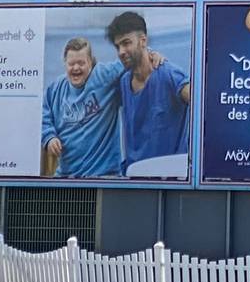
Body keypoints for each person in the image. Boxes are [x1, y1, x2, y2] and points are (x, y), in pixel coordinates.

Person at [109, 10, 192, 173]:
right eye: (117, 46)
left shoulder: (169, 74)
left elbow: (204, 105)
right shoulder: (124, 81)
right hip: (135, 177)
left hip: (170, 179)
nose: (121, 52)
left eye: (126, 43)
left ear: (143, 41)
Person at [41, 37, 125, 179]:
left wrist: (151, 55)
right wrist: (49, 137)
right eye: (71, 63)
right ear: (65, 64)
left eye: (81, 63)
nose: (76, 68)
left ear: (90, 63)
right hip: (67, 176)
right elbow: (42, 117)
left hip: (105, 177)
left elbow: (132, 59)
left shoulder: (103, 76)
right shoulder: (55, 89)